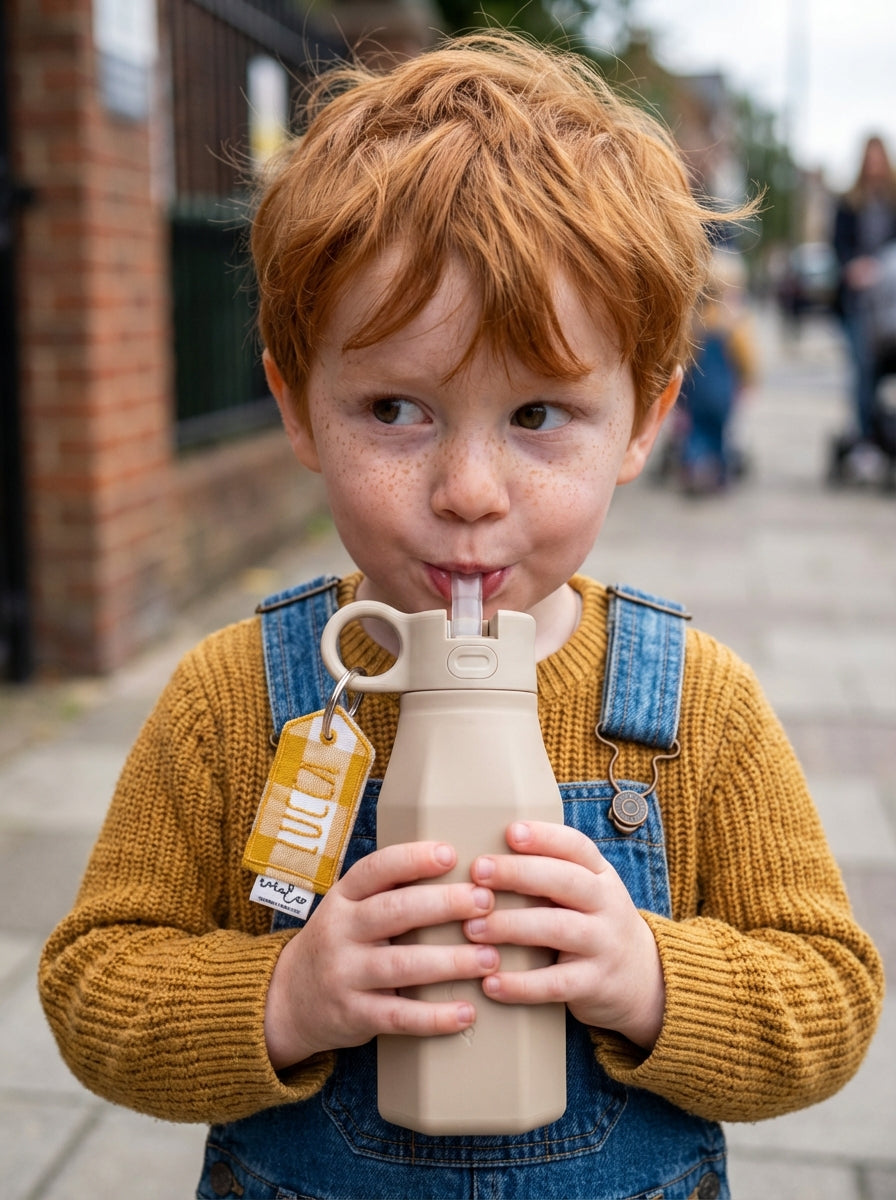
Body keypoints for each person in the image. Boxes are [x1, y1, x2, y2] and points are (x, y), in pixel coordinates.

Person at [39, 32, 883, 1200]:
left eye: (539, 415)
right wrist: (277, 1000)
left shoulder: (693, 705)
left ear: (643, 419)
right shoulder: (240, 699)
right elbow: (95, 981)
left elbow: (830, 994)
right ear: (296, 406)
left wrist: (646, 975)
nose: (468, 491)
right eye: (395, 408)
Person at [832, 134, 896, 453]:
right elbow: (838, 247)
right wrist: (854, 267)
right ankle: (866, 434)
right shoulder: (849, 203)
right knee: (863, 367)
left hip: (890, 299)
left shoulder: (892, 201)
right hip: (859, 302)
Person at [677, 248, 757, 493]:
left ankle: (693, 466)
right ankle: (719, 474)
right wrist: (748, 380)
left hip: (695, 391)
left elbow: (683, 356)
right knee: (719, 434)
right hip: (723, 392)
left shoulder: (693, 322)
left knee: (696, 431)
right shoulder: (734, 324)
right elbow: (746, 359)